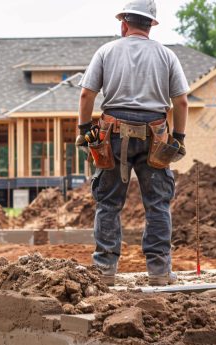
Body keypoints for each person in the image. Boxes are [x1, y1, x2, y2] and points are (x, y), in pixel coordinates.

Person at [77, 0, 189, 286]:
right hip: (155, 136)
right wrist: (178, 138)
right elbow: (181, 101)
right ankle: (160, 272)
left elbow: (86, 96)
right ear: (151, 25)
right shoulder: (167, 56)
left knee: (108, 204)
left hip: (112, 134)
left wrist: (84, 128)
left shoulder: (106, 51)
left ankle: (104, 271)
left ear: (123, 24)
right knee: (158, 204)